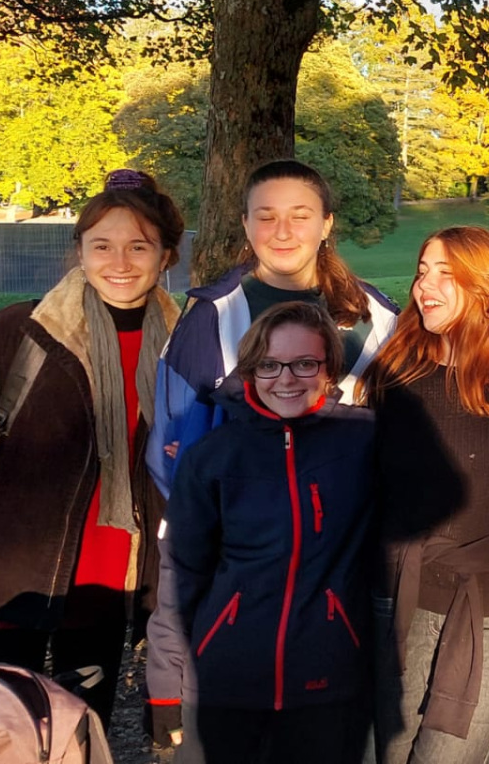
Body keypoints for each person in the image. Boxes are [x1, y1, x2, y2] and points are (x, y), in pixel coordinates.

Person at [0, 169, 186, 724]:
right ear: (79, 251)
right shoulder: (21, 332)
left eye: (138, 246)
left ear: (166, 256)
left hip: (111, 578)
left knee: (83, 729)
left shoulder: (183, 346)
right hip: (12, 572)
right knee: (3, 731)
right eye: (101, 245)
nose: (120, 262)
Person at [143, 159, 401, 748]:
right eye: (266, 216)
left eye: (299, 215)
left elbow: (401, 436)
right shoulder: (212, 315)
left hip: (335, 587)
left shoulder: (377, 317)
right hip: (242, 574)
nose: (283, 231)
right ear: (244, 223)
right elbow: (174, 451)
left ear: (327, 223)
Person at [361, 226, 489, 764]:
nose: (425, 285)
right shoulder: (395, 370)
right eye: (423, 271)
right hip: (397, 601)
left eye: (446, 274)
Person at [165, 302, 378, 763]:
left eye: (305, 364)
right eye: (269, 365)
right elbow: (182, 570)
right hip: (230, 674)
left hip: (328, 672)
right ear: (250, 370)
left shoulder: (364, 440)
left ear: (329, 368)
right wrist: (167, 680)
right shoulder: (213, 456)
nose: (286, 379)